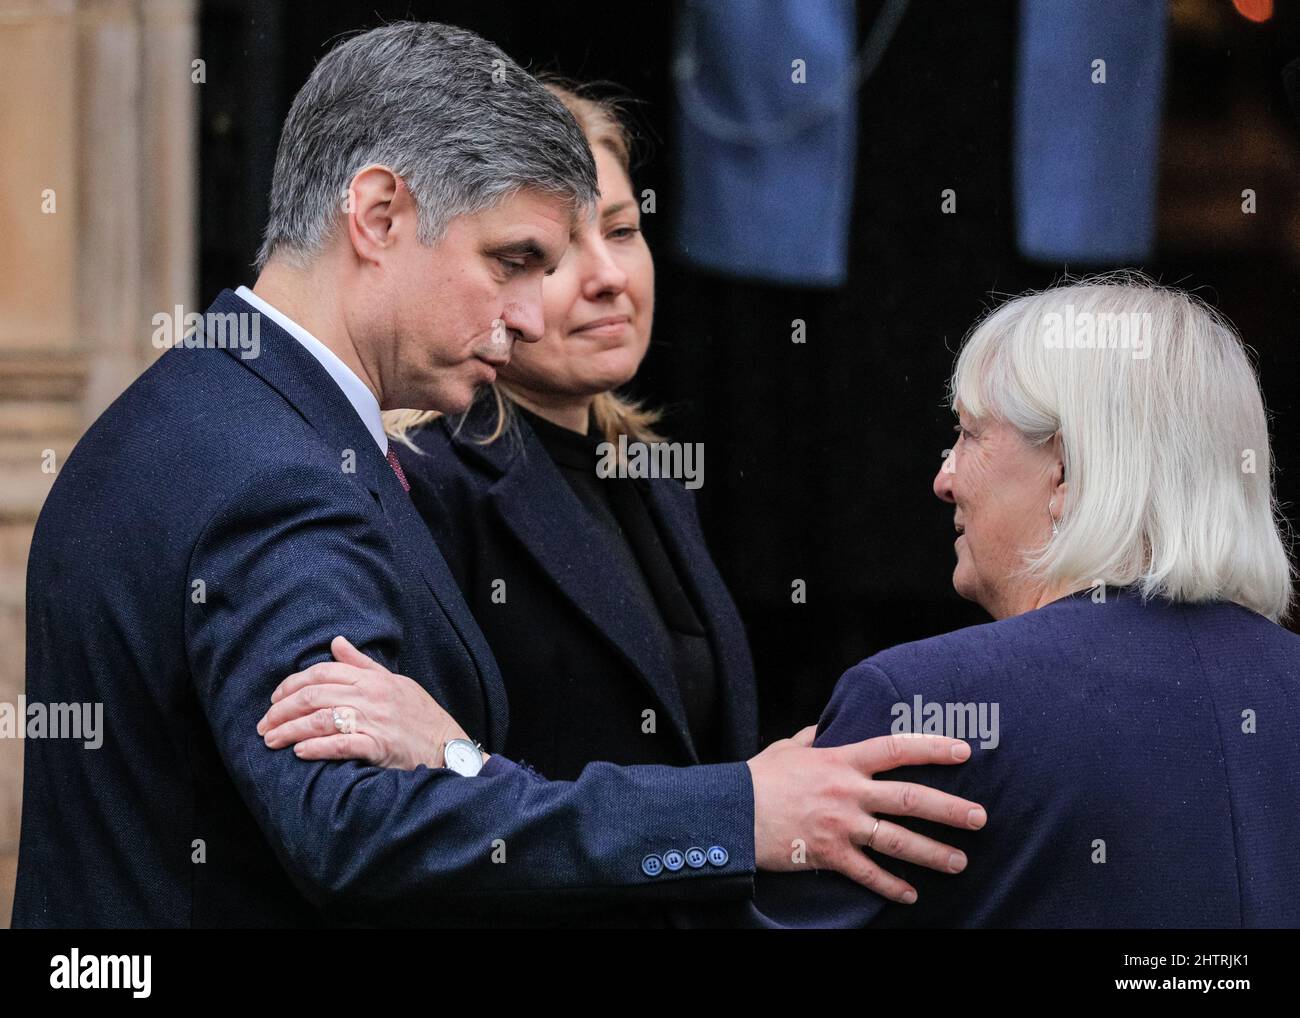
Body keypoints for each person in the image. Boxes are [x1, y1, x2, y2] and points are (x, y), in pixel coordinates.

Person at [12, 21, 983, 928]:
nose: (526, 315)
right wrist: (738, 810)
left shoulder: (188, 401)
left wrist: (449, 752)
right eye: (512, 259)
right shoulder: (280, 475)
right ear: (379, 214)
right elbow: (353, 824)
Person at [744, 276, 1300, 927]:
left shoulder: (923, 705)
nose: (943, 477)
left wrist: (729, 814)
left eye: (969, 433)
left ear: (1065, 471)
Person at [384, 82, 755, 780]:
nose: (609, 276)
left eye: (621, 231)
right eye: (551, 253)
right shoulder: (426, 482)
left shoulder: (650, 471)